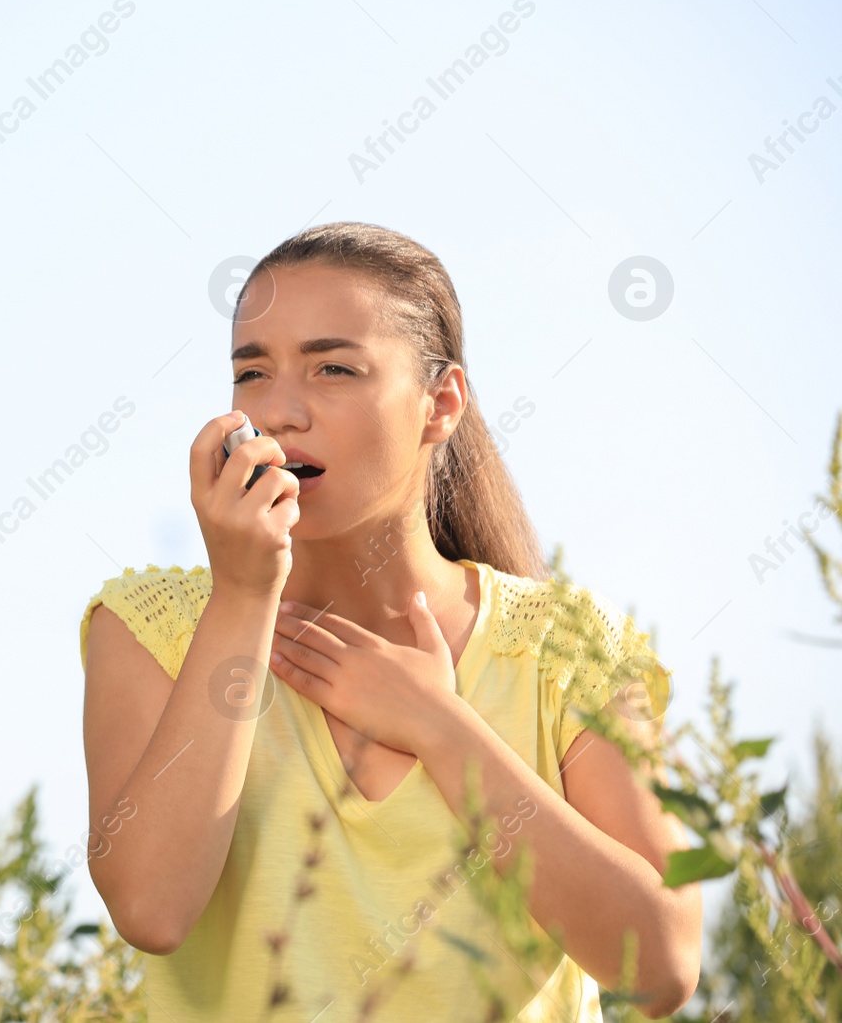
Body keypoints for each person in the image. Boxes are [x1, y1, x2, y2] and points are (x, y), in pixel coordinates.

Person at [77, 222, 703, 1021]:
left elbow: (659, 967)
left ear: (440, 404)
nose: (281, 410)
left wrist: (439, 724)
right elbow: (152, 909)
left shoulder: (566, 647)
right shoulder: (148, 627)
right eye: (251, 371)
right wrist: (240, 596)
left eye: (334, 368)